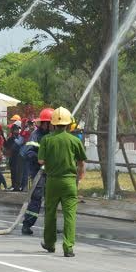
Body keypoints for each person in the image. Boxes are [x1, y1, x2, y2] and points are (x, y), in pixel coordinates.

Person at [38, 107, 87, 257]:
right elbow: (81, 163)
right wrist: (79, 177)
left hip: (52, 181)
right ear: (68, 124)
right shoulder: (74, 140)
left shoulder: (47, 139)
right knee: (70, 215)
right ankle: (68, 247)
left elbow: (40, 160)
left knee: (50, 213)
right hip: (69, 182)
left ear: (53, 124)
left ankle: (49, 243)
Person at [20, 108, 53, 235]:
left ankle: (51, 226)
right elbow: (27, 153)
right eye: (51, 123)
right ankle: (27, 224)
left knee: (51, 199)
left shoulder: (51, 135)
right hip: (37, 172)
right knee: (36, 198)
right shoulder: (36, 135)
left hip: (50, 172)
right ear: (45, 123)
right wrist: (40, 159)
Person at [5, 120, 25, 191]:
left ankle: (17, 186)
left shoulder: (20, 138)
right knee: (13, 171)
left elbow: (18, 146)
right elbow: (6, 146)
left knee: (18, 172)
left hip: (18, 157)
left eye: (17, 129)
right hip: (12, 157)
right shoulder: (11, 138)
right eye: (14, 129)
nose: (15, 131)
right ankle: (13, 185)